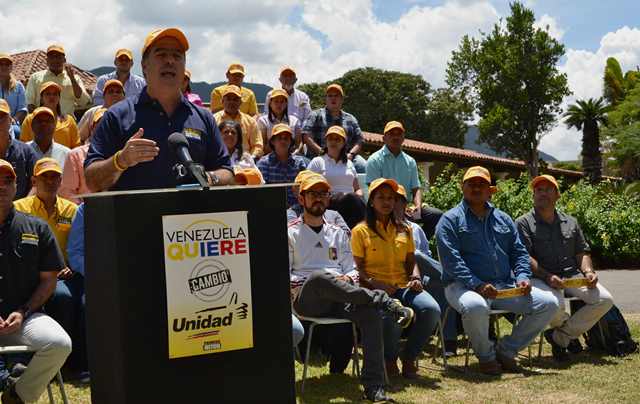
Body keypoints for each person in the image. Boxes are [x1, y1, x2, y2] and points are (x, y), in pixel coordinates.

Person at [290, 174, 413, 402]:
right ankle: (384, 300)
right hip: (307, 299)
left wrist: (347, 278)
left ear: (328, 199)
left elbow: (353, 269)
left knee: (370, 314)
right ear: (301, 199)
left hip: (340, 296)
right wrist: (330, 281)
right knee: (319, 278)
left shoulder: (337, 232)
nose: (318, 198)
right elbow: (285, 276)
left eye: (323, 194)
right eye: (313, 194)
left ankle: (374, 387)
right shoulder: (290, 232)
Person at [435, 166, 559, 375]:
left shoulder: (503, 219)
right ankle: (486, 357)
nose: (476, 188)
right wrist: (478, 284)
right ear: (462, 188)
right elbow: (451, 262)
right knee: (475, 307)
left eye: (481, 184)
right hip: (462, 286)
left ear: (490, 190)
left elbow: (519, 252)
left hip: (503, 285)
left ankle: (506, 350)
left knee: (549, 303)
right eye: (471, 184)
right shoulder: (449, 220)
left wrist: (522, 277)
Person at [84, 28, 233, 192]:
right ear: (144, 66)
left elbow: (228, 173)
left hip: (192, 218)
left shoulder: (204, 117)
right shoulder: (117, 116)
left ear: (184, 67)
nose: (170, 61)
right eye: (161, 54)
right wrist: (120, 161)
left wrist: (208, 177)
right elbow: (92, 182)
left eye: (177, 56)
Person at [516, 175, 614, 361]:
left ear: (557, 195)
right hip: (541, 277)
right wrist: (547, 276)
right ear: (533, 195)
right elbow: (525, 256)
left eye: (548, 189)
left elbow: (582, 252)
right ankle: (567, 338)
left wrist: (588, 272)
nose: (542, 193)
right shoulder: (523, 222)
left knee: (605, 299)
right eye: (538, 190)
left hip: (572, 275)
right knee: (555, 305)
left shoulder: (571, 222)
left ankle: (559, 337)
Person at [351, 178, 441, 379]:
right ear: (371, 201)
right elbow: (358, 270)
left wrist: (416, 276)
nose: (387, 202)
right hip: (374, 289)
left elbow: (411, 260)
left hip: (403, 284)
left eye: (391, 198)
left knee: (431, 310)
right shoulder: (360, 231)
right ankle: (389, 359)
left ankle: (409, 357)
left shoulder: (405, 229)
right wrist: (377, 284)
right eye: (381, 197)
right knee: (394, 314)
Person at [0, 159, 72, 404]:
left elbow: (49, 281)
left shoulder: (36, 227)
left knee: (60, 344)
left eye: (7, 180)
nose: (1, 186)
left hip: (24, 318)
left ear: (17, 185)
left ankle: (18, 395)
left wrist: (23, 311)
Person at [394, 184, 459, 356]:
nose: (394, 204)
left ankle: (449, 341)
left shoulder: (415, 229)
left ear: (405, 204)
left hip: (421, 276)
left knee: (443, 284)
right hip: (399, 277)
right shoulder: (380, 229)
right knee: (415, 255)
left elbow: (427, 257)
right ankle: (457, 276)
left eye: (399, 201)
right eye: (391, 200)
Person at [366, 121, 442, 240]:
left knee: (436, 215)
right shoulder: (374, 160)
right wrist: (397, 205)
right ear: (384, 138)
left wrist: (417, 206)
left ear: (403, 138)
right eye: (391, 134)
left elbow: (416, 188)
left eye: (399, 134)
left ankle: (418, 243)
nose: (395, 137)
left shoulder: (410, 161)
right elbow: (374, 190)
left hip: (407, 206)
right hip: (384, 205)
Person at [307, 125, 365, 229]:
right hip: (328, 201)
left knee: (354, 199)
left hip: (351, 204)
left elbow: (357, 188)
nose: (333, 142)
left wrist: (359, 196)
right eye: (330, 139)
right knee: (351, 198)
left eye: (337, 139)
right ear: (326, 142)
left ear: (343, 143)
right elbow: (307, 186)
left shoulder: (349, 164)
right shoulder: (318, 162)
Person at [302, 84, 366, 173]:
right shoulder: (315, 115)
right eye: (330, 96)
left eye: (336, 96)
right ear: (326, 99)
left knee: (363, 165)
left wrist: (351, 154)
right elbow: (306, 135)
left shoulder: (351, 118)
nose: (333, 98)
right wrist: (321, 152)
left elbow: (360, 140)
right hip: (318, 156)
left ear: (342, 99)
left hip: (346, 158)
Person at [24, 44, 91, 116]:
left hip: (66, 124)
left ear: (64, 60)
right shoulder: (35, 78)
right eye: (52, 57)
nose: (55, 60)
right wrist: (41, 119)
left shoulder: (74, 79)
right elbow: (29, 103)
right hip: (43, 123)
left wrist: (72, 79)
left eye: (58, 57)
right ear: (47, 60)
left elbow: (84, 101)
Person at [60, 108, 107, 203]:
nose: (104, 128)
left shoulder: (122, 155)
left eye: (108, 125)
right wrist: (83, 210)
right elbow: (67, 192)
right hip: (85, 212)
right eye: (99, 124)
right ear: (92, 128)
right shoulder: (75, 155)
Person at [256, 123, 307, 208]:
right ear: (273, 141)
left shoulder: (299, 162)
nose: (283, 141)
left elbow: (304, 189)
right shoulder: (263, 163)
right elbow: (262, 193)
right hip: (271, 207)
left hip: (296, 209)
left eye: (286, 138)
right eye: (279, 138)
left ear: (291, 142)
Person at [21, 82, 80, 149]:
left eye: (55, 94)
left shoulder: (69, 120)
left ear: (59, 98)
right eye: (48, 94)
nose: (51, 97)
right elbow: (23, 145)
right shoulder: (30, 119)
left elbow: (76, 145)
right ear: (41, 98)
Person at [213, 85, 263, 160]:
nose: (232, 102)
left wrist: (250, 159)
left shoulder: (250, 122)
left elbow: (257, 145)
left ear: (240, 102)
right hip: (218, 160)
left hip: (244, 163)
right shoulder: (213, 119)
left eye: (235, 99)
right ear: (222, 101)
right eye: (228, 99)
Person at [0, 99, 37, 199]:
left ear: (10, 120)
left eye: (2, 117)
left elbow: (36, 184)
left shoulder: (26, 151)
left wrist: (23, 207)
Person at [77, 79, 126, 144]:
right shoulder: (92, 112)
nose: (115, 94)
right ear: (104, 96)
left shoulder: (129, 114)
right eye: (110, 92)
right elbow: (80, 138)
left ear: (124, 96)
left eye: (118, 92)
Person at [256, 89, 302, 156]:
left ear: (286, 104)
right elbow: (261, 145)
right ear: (270, 103)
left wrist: (295, 153)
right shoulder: (263, 121)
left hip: (292, 157)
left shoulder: (294, 121)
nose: (279, 104)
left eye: (282, 102)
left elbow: (299, 143)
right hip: (269, 158)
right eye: (276, 101)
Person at [217, 120, 263, 184]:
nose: (230, 134)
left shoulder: (246, 158)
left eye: (233, 132)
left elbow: (260, 180)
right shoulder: (213, 157)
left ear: (238, 138)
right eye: (226, 132)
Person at [0, 53, 27, 139]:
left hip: (12, 123)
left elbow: (22, 109)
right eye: (1, 64)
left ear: (11, 67)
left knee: (16, 132)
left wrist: (14, 119)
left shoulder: (18, 86)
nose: (4, 67)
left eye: (7, 64)